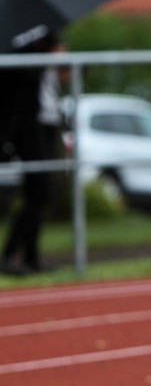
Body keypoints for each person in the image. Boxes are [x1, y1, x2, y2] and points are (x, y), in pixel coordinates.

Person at [1, 30, 66, 276]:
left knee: (41, 194)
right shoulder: (22, 50)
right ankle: (10, 255)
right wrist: (47, 56)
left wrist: (59, 59)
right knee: (39, 191)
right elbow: (19, 83)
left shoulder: (49, 49)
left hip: (48, 125)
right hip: (28, 128)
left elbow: (67, 76)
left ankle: (31, 256)